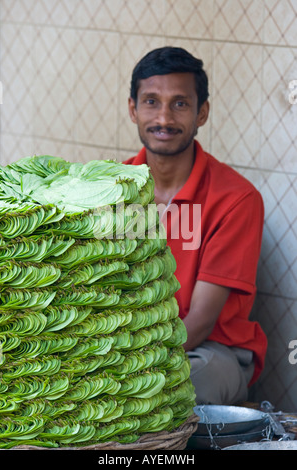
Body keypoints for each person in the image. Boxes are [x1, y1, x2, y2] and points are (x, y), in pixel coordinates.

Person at [123, 46, 267, 405]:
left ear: (202, 113)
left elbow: (200, 321)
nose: (164, 118)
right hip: (124, 346)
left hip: (211, 351)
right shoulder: (111, 188)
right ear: (133, 109)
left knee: (174, 393)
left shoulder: (235, 199)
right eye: (151, 102)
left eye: (180, 104)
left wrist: (128, 365)